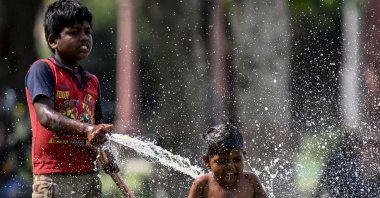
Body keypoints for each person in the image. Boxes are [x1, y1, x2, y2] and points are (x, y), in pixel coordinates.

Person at [25, 0, 118, 197]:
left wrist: (107, 154)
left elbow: (98, 127)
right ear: (53, 40)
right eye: (74, 32)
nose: (84, 38)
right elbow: (45, 116)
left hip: (88, 176)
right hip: (52, 178)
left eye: (87, 31)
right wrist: (87, 129)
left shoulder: (92, 82)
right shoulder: (43, 70)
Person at [188, 119, 268, 198]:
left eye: (236, 160)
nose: (230, 167)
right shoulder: (203, 184)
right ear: (207, 161)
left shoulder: (250, 181)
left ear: (243, 156)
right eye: (222, 161)